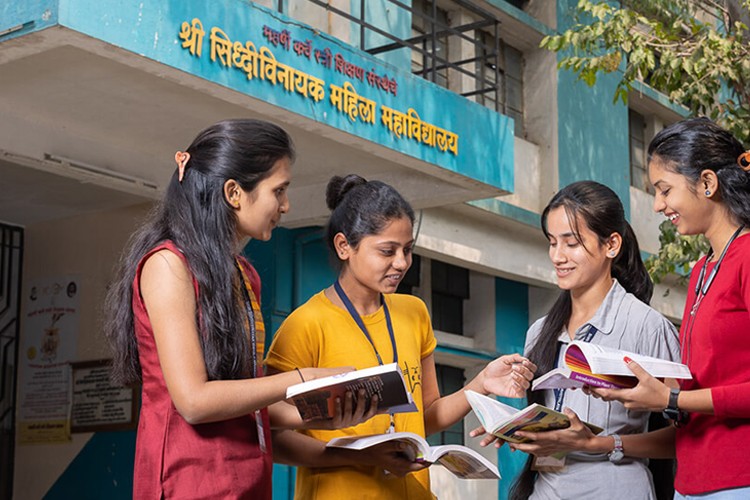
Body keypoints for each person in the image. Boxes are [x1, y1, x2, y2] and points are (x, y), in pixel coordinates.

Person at [104, 120, 375, 500]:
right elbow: (194, 402)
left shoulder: (244, 273)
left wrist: (323, 411)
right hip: (189, 484)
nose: (285, 205)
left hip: (247, 481)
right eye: (278, 190)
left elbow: (248, 408)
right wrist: (302, 378)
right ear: (234, 192)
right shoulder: (168, 265)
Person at [264, 174, 536, 499]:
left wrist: (480, 384)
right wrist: (358, 456)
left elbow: (426, 416)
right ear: (343, 246)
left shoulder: (414, 312)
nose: (402, 263)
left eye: (407, 250)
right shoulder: (304, 325)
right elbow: (272, 438)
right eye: (387, 251)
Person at [471, 181, 681, 499]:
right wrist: (520, 431)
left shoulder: (647, 328)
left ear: (611, 245)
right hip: (546, 490)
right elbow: (550, 432)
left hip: (615, 490)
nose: (557, 256)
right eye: (552, 242)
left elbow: (687, 436)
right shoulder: (540, 332)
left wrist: (603, 444)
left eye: (571, 243)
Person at [590, 117, 750, 499]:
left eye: (665, 190)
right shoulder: (703, 270)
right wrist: (640, 386)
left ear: (707, 184)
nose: (659, 205)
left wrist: (671, 399)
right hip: (691, 483)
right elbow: (706, 388)